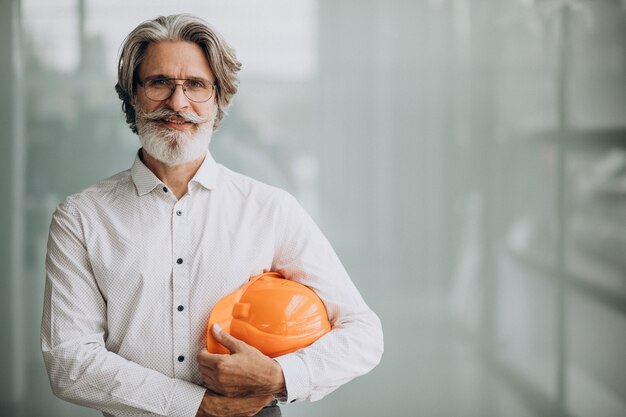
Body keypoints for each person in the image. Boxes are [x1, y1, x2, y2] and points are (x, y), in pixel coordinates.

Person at [41, 13, 383, 417]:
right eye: (159, 82)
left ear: (219, 98)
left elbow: (363, 334)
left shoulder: (270, 209)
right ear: (133, 95)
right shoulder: (81, 218)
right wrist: (197, 406)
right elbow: (69, 360)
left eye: (196, 85)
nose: (177, 102)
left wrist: (277, 377)